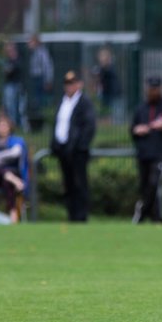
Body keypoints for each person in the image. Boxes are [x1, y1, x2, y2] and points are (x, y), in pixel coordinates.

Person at [130, 76, 162, 223]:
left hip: (161, 154)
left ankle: (142, 212)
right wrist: (137, 130)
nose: (153, 92)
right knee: (145, 186)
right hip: (144, 154)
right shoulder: (141, 108)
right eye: (151, 89)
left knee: (154, 184)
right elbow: (132, 129)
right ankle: (154, 217)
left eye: (156, 89)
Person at [51, 70, 96, 222]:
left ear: (79, 84)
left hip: (77, 151)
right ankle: (71, 215)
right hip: (63, 149)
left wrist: (79, 145)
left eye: (72, 83)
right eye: (67, 84)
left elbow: (89, 127)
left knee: (79, 183)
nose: (69, 86)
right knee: (68, 184)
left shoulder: (84, 102)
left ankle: (81, 216)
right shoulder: (62, 101)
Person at [27, 34, 54, 132]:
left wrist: (48, 81)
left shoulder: (42, 52)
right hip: (35, 79)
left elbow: (47, 67)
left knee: (41, 102)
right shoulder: (33, 53)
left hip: (41, 79)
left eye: (31, 42)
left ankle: (44, 124)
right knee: (36, 102)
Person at [1, 42, 23, 128]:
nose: (9, 52)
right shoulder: (7, 60)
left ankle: (18, 124)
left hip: (18, 84)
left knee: (19, 107)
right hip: (9, 85)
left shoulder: (19, 59)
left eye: (10, 50)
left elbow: (11, 70)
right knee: (10, 106)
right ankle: (12, 123)